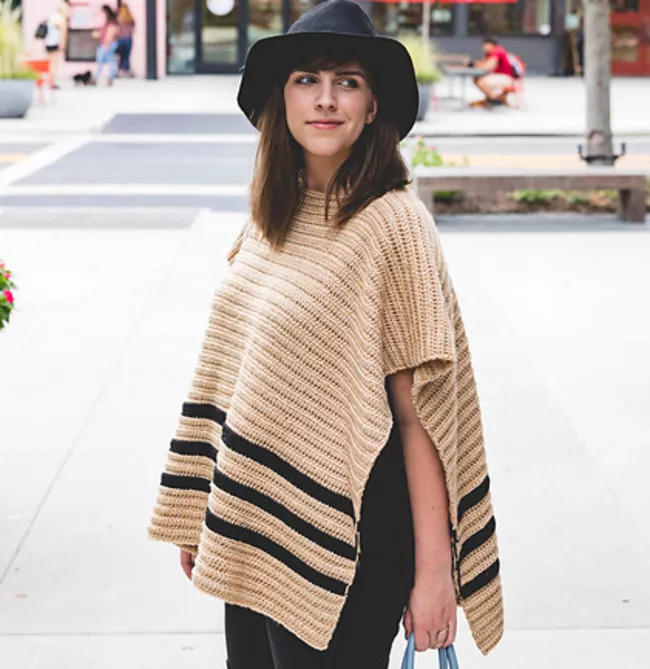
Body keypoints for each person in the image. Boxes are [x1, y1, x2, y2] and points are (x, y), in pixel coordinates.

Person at [147, 1, 504, 667]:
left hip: (352, 539)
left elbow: (419, 414)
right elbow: (234, 372)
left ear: (373, 107)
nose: (326, 99)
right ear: (281, 100)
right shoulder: (270, 218)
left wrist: (436, 573)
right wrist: (206, 498)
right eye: (307, 80)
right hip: (257, 519)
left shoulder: (394, 225)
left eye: (348, 81)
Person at [470, 36, 515, 107]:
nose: (483, 48)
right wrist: (476, 64)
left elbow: (488, 67)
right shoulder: (490, 53)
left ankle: (495, 100)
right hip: (500, 77)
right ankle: (493, 99)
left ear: (490, 44)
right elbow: (482, 63)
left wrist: (478, 65)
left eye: (484, 45)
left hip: (506, 79)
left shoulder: (497, 51)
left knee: (480, 81)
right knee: (477, 79)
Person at [91, 5, 120, 86]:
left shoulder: (111, 23)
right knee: (111, 61)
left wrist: (106, 44)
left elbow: (110, 34)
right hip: (108, 43)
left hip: (107, 44)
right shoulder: (108, 22)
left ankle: (95, 78)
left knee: (100, 61)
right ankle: (110, 78)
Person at [43, 1, 70, 89]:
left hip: (48, 43)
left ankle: (50, 81)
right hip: (55, 43)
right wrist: (63, 45)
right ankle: (52, 82)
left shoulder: (52, 16)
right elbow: (63, 34)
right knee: (54, 64)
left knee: (50, 63)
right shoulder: (61, 19)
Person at [116, 1, 136, 78]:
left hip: (121, 38)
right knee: (127, 56)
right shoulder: (130, 19)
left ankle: (121, 70)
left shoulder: (119, 19)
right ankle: (126, 71)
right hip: (128, 39)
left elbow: (118, 30)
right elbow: (133, 29)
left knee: (121, 55)